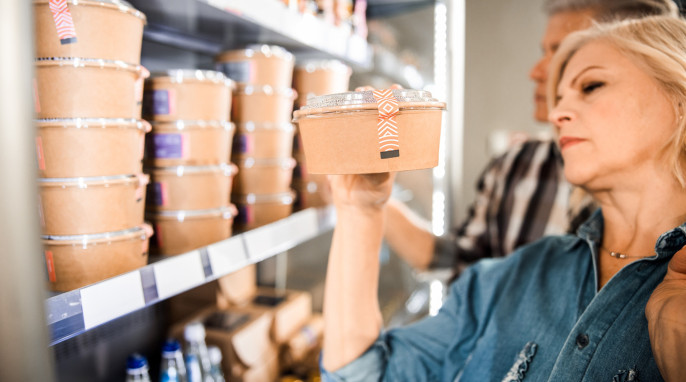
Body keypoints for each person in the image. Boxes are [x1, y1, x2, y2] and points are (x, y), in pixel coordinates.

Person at [321, 15, 686, 381]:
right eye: (559, 97)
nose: (557, 114)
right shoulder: (515, 276)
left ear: (679, 98)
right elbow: (362, 374)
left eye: (591, 86)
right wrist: (360, 209)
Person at [385, 0, 680, 273]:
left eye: (590, 83)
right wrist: (371, 201)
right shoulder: (517, 165)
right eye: (547, 52)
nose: (538, 72)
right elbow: (468, 270)